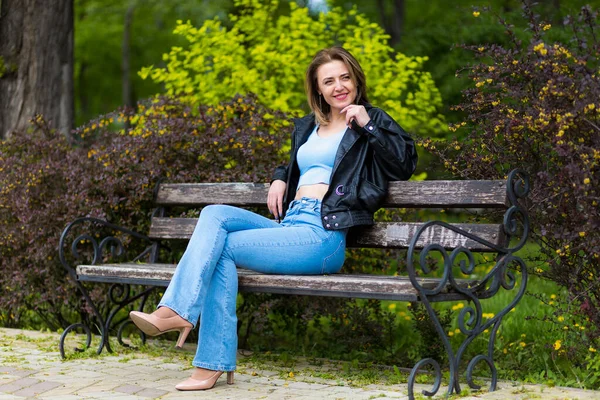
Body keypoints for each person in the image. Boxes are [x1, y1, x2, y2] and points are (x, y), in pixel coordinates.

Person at [129, 46, 418, 391]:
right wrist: (281, 176)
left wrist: (369, 125)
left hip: (323, 236)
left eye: (345, 78)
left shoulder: (372, 120)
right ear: (318, 90)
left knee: (221, 249)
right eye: (329, 81)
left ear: (356, 80)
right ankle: (193, 339)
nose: (339, 86)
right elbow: (301, 164)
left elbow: (404, 165)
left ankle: (189, 334)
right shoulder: (310, 126)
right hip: (292, 224)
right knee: (214, 215)